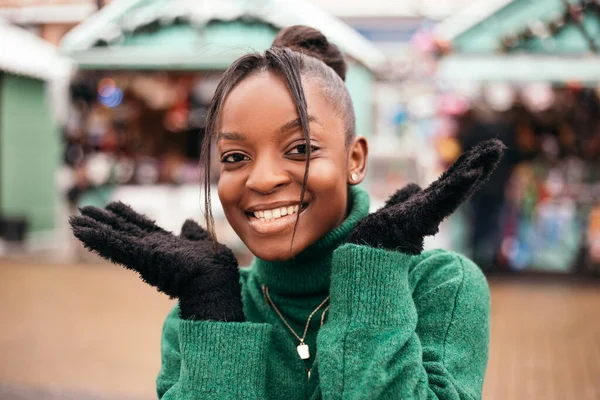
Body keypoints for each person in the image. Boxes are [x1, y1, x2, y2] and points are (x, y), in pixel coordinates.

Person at [70, 25, 504, 400]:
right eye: (235, 157)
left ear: (354, 159)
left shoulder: (440, 286)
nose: (261, 179)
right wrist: (215, 316)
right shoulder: (200, 313)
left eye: (300, 149)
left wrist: (373, 273)